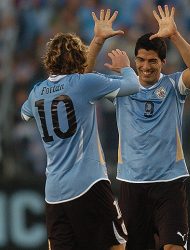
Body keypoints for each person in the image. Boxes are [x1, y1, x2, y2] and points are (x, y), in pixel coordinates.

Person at [87, 4, 190, 250]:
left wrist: (174, 35)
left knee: (173, 247)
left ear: (163, 61)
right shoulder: (121, 86)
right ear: (135, 60)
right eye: (140, 60)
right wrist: (97, 41)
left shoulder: (174, 86)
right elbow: (81, 80)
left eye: (152, 60)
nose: (146, 66)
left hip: (169, 184)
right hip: (132, 186)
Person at [20, 9, 141, 250]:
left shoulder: (36, 93)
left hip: (54, 192)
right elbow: (133, 85)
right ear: (78, 59)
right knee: (117, 244)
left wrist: (96, 41)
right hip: (89, 183)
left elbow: (25, 114)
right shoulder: (85, 83)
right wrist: (126, 66)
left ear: (49, 61)